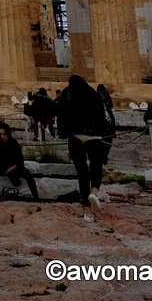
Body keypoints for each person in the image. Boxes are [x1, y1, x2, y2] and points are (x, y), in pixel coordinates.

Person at [56, 74, 111, 218]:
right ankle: (94, 193)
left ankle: (85, 201)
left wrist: (63, 129)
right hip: (93, 136)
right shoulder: (94, 95)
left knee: (81, 169)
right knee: (96, 165)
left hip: (75, 136)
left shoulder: (68, 93)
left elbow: (60, 112)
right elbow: (102, 117)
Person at [0, 122, 39, 203]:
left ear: (8, 133)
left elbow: (20, 162)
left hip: (13, 166)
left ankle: (36, 198)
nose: (2, 136)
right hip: (0, 166)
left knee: (28, 175)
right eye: (0, 134)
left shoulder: (13, 143)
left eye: (4, 134)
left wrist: (9, 170)